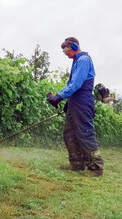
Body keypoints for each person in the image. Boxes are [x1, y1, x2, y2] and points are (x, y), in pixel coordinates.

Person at [47, 37, 104, 177]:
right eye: (63, 51)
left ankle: (96, 167)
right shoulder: (76, 62)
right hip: (75, 101)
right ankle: (77, 164)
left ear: (74, 46)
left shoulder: (84, 60)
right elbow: (70, 86)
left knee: (85, 133)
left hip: (83, 101)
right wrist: (65, 100)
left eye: (66, 49)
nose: (65, 53)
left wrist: (59, 97)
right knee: (70, 133)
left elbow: (76, 84)